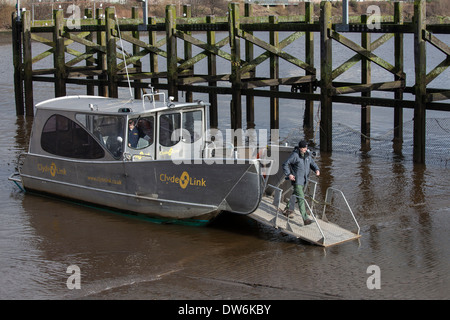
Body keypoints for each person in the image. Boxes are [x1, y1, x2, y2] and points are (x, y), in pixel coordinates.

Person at [282, 140, 320, 225]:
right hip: (297, 180)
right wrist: (289, 174)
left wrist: (317, 169)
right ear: (299, 148)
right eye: (303, 148)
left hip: (304, 181)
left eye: (306, 147)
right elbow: (285, 164)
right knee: (301, 198)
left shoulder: (307, 155)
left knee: (295, 194)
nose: (305, 149)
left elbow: (312, 163)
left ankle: (287, 209)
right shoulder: (295, 155)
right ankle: (305, 219)